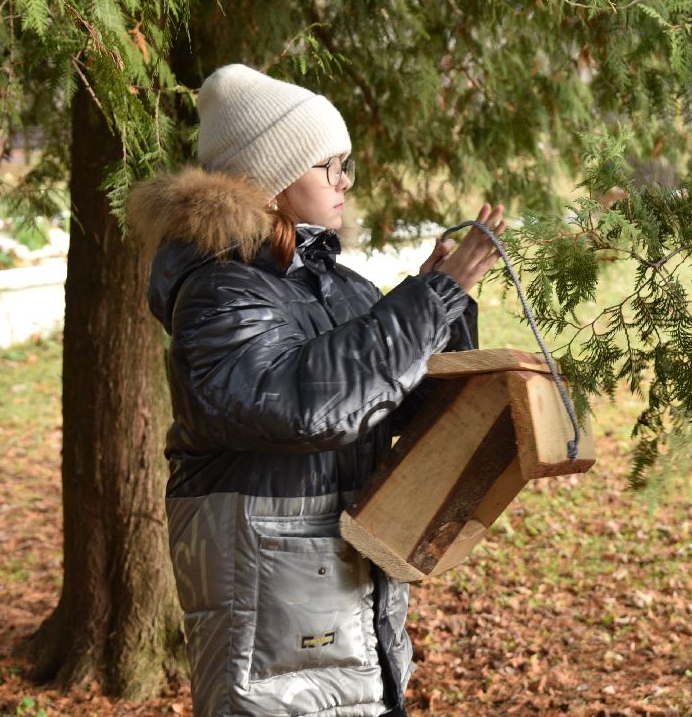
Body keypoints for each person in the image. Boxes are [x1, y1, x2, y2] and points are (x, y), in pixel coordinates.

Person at [128, 63, 506, 717]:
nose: (345, 182)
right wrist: (427, 303)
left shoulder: (342, 288)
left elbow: (408, 405)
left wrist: (440, 310)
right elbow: (302, 404)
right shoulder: (219, 291)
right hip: (271, 617)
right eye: (328, 165)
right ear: (271, 180)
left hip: (346, 602)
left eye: (347, 163)